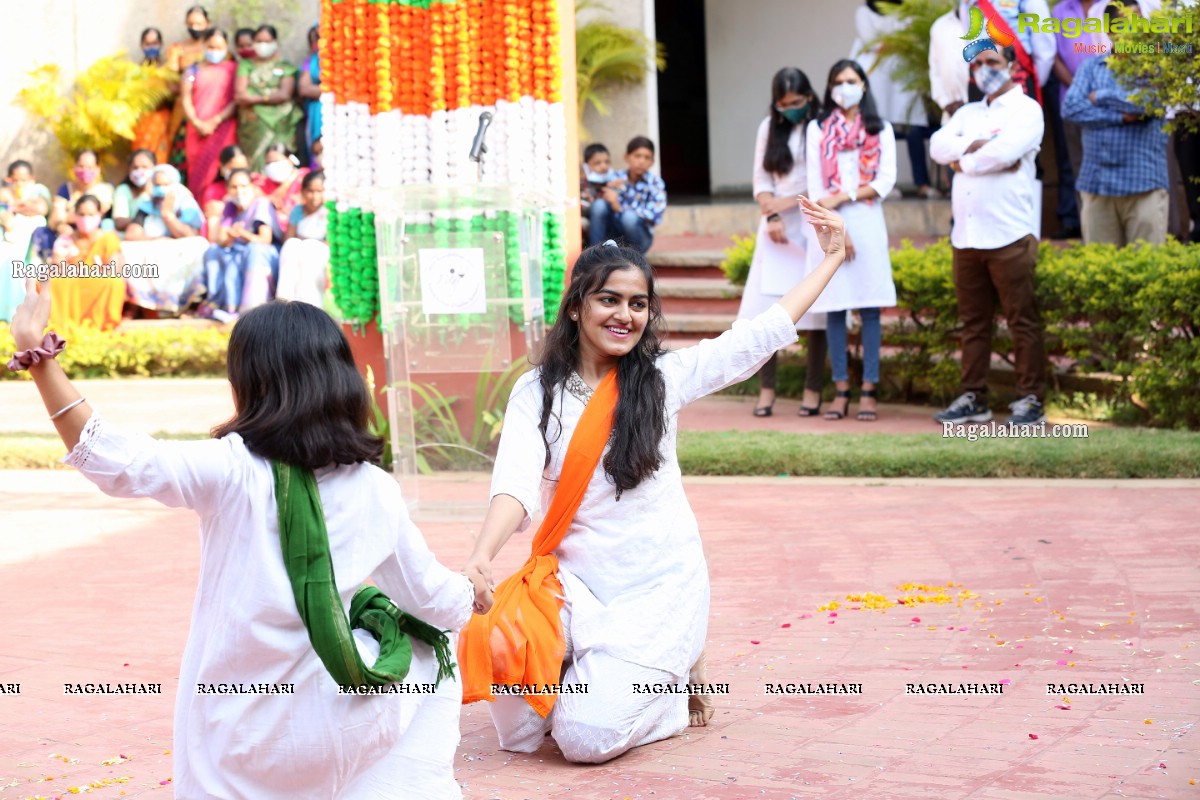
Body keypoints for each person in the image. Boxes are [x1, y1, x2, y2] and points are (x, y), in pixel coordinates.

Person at [6, 290, 482, 799]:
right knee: (427, 644)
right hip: (333, 732)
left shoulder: (232, 470)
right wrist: (475, 586)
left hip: (232, 742)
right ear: (342, 381)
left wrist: (38, 357)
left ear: (248, 385)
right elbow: (437, 602)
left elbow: (108, 456)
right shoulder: (375, 490)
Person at [458, 197, 847, 764]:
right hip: (575, 582)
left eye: (638, 304)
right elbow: (515, 485)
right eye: (609, 300)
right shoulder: (537, 391)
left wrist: (831, 259)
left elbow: (759, 336)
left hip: (657, 587)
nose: (625, 315)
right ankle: (595, 667)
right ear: (576, 308)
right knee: (514, 713)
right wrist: (481, 555)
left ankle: (666, 691)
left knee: (582, 738)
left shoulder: (664, 379)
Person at [930, 44, 1048, 428]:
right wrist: (979, 149)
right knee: (973, 323)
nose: (984, 70)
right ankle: (973, 398)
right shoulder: (968, 112)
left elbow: (1007, 153)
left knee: (1022, 321)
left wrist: (961, 161)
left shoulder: (1027, 110)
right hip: (966, 236)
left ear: (1012, 66)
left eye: (992, 62)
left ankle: (1030, 399)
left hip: (1010, 233)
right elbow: (936, 145)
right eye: (977, 64)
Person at [806, 59, 897, 422]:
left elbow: (885, 181)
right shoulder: (818, 129)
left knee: (870, 307)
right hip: (829, 222)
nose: (845, 87)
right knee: (836, 306)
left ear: (864, 84)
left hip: (869, 219)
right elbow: (816, 186)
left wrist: (844, 199)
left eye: (852, 80)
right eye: (838, 81)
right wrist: (838, 228)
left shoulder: (881, 128)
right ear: (829, 88)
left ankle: (869, 390)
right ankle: (841, 389)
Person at [738, 66, 828, 418]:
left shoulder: (821, 125)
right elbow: (762, 178)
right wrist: (771, 213)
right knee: (766, 309)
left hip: (812, 220)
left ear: (809, 97)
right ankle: (767, 390)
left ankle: (812, 389)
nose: (790, 108)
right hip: (775, 227)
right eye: (784, 103)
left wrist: (790, 203)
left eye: (797, 101)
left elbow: (824, 180)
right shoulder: (768, 127)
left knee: (815, 311)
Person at [1062, 2, 1169, 247]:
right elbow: (1070, 108)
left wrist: (1099, 97)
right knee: (1101, 273)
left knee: (1147, 272)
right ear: (1110, 30)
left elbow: (1143, 105)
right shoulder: (1091, 66)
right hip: (1097, 184)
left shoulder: (1157, 66)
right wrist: (1119, 117)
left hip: (1144, 183)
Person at [852, 0, 937, 198]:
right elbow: (870, 40)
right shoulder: (864, 12)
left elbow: (912, 39)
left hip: (903, 76)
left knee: (913, 127)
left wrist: (895, 44)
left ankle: (922, 183)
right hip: (876, 77)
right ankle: (880, 184)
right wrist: (898, 44)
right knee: (876, 129)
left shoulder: (906, 11)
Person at [930, 0, 1055, 124]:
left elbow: (1044, 46)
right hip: (979, 77)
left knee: (1018, 126)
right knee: (980, 128)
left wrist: (1031, 80)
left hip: (1014, 74)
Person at [1045, 0, 1104, 241]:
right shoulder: (1060, 11)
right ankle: (1082, 225)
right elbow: (1054, 57)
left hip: (1107, 102)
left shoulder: (1113, 5)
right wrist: (1079, 88)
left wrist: (1100, 92)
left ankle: (1103, 226)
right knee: (1074, 164)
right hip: (1072, 100)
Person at [123, 165, 210, 316]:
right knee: (126, 249)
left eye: (166, 184)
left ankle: (188, 307)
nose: (161, 189)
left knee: (199, 246)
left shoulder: (186, 203)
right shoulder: (146, 205)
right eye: (157, 185)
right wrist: (157, 239)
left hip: (180, 248)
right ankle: (137, 308)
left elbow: (192, 235)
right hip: (154, 246)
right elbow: (131, 234)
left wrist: (168, 216)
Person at [200, 167, 278, 321]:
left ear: (252, 187)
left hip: (262, 254)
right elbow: (222, 240)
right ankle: (219, 304)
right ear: (228, 189)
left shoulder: (260, 204)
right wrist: (230, 236)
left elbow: (265, 239)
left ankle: (253, 308)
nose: (239, 191)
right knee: (213, 251)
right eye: (234, 187)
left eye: (243, 186)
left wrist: (242, 234)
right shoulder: (230, 206)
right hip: (238, 252)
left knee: (251, 250)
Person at [47, 195, 125, 331]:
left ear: (99, 215)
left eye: (91, 214)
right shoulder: (67, 238)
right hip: (72, 279)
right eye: (81, 214)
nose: (85, 219)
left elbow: (114, 269)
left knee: (114, 282)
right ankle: (60, 325)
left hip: (97, 280)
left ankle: (102, 324)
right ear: (75, 215)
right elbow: (57, 263)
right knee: (51, 282)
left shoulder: (108, 238)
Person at [236, 24, 304, 172]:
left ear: (275, 43)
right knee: (255, 161)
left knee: (279, 158)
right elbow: (241, 95)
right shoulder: (246, 65)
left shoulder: (285, 66)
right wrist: (271, 96)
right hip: (254, 124)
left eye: (267, 41)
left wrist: (255, 99)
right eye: (259, 41)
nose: (263, 45)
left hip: (282, 122)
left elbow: (284, 94)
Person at [182, 29, 238, 201]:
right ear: (203, 46)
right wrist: (197, 122)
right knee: (198, 174)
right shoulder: (192, 71)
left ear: (226, 47)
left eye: (219, 47)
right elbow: (186, 99)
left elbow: (236, 99)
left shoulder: (233, 70)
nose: (214, 51)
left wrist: (216, 120)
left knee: (222, 169)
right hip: (197, 130)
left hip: (223, 128)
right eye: (211, 47)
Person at [587, 136, 666, 254]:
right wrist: (608, 195)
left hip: (640, 237)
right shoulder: (616, 178)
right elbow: (603, 209)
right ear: (626, 157)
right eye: (637, 156)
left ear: (652, 162)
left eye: (647, 157)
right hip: (615, 233)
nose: (641, 161)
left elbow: (654, 216)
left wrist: (619, 208)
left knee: (629, 217)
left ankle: (635, 259)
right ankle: (594, 254)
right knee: (599, 205)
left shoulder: (655, 182)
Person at [165, 5, 216, 180]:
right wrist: (189, 86)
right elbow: (170, 82)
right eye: (191, 24)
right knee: (181, 154)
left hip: (211, 109)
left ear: (208, 23)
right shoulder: (177, 50)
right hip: (183, 111)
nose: (195, 28)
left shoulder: (215, 48)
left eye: (199, 24)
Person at [1, 162, 52, 321]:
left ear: (32, 179)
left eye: (24, 180)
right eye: (15, 180)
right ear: (9, 180)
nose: (20, 184)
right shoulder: (5, 193)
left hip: (31, 249)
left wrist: (14, 206)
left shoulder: (39, 190)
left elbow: (40, 208)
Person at [276, 170, 329, 307]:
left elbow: (331, 243)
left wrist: (308, 240)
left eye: (320, 191)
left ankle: (311, 306)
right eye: (310, 191)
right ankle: (284, 303)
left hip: (318, 253)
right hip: (297, 251)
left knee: (310, 248)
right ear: (304, 192)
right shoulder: (298, 211)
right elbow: (289, 238)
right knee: (292, 245)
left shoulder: (329, 212)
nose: (315, 196)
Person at [130, 27, 175, 167]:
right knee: (140, 159)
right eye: (148, 44)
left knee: (161, 160)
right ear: (142, 45)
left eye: (155, 44)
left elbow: (174, 96)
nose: (151, 48)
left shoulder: (168, 70)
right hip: (141, 122)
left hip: (162, 121)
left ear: (160, 45)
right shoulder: (134, 72)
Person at [49, 150, 115, 230]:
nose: (85, 171)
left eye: (90, 167)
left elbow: (92, 216)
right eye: (81, 166)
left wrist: (65, 217)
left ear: (98, 169)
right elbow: (54, 220)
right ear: (74, 167)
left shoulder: (104, 190)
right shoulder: (66, 188)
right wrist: (63, 228)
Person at [258, 144, 310, 235]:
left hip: (302, 228)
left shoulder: (304, 176)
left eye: (276, 161)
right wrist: (290, 180)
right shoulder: (265, 183)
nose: (272, 166)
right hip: (275, 231)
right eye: (268, 163)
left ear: (290, 160)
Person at [200, 143, 252, 216]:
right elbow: (211, 216)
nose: (238, 174)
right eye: (234, 169)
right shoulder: (213, 191)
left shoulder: (257, 182)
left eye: (242, 169)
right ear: (222, 167)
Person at [111, 149, 156, 233]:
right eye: (135, 168)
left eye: (144, 167)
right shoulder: (123, 190)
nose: (140, 171)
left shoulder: (162, 189)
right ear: (129, 170)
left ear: (154, 168)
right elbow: (119, 222)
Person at [298, 24, 323, 163]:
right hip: (317, 113)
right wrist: (333, 92)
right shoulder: (311, 63)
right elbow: (304, 89)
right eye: (316, 38)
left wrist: (318, 90)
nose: (319, 42)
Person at [579, 143, 613, 238]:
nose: (604, 166)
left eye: (607, 162)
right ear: (586, 166)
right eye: (597, 163)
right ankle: (596, 250)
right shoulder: (582, 186)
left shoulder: (615, 182)